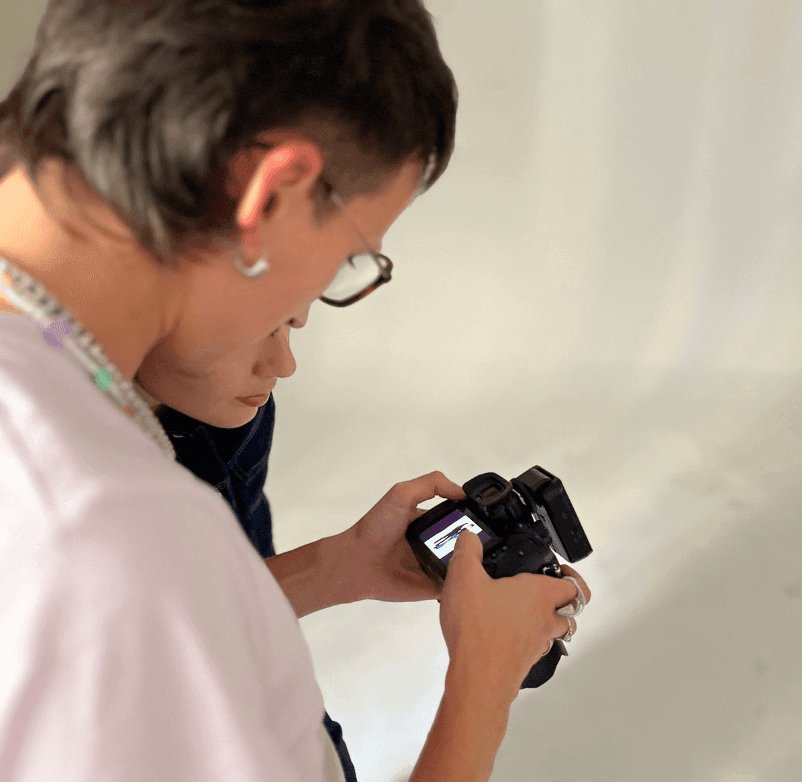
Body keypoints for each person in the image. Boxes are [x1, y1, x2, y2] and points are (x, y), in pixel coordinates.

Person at [0, 2, 591, 782]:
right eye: (352, 258)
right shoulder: (116, 531)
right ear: (271, 196)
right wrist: (481, 687)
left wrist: (332, 570)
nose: (304, 313)